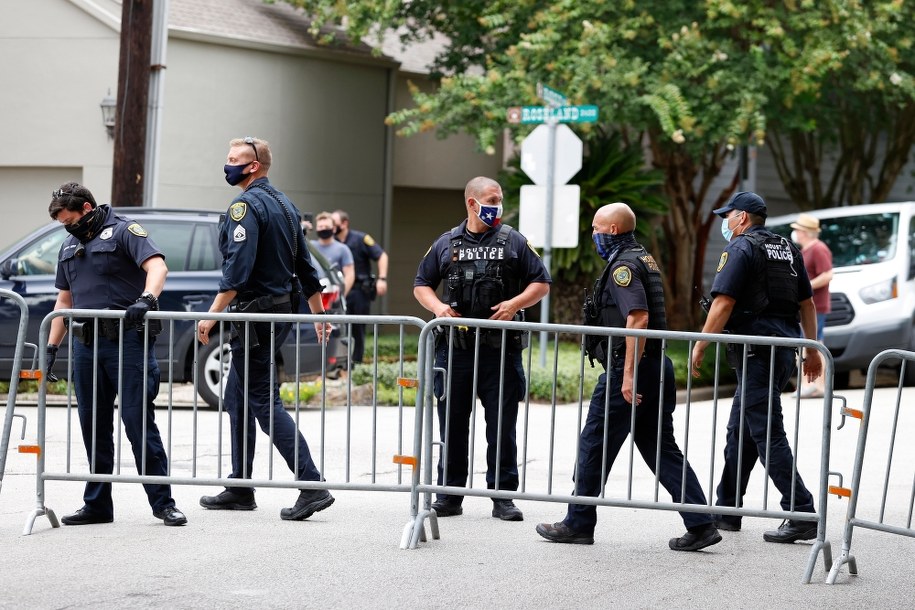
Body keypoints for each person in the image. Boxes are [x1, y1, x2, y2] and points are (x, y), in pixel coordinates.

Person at [535, 203, 721, 551]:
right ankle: (701, 523)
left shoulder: (624, 265)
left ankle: (578, 523)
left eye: (596, 228)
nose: (593, 234)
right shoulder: (642, 258)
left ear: (614, 230)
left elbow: (637, 319)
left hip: (631, 367)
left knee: (594, 443)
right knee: (660, 447)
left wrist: (627, 375)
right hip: (654, 366)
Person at [198, 137, 335, 521]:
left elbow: (236, 274)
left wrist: (211, 315)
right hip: (276, 314)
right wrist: (317, 313)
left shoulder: (245, 206)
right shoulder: (287, 206)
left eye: (234, 160)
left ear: (254, 166)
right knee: (237, 397)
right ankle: (240, 486)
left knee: (262, 402)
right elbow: (307, 270)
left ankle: (311, 485)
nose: (227, 165)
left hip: (256, 318)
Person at [47, 182, 186, 527]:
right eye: (63, 223)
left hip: (128, 342)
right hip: (86, 345)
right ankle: (97, 504)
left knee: (138, 422)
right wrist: (52, 346)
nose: (68, 227)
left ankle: (163, 503)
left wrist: (147, 299)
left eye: (70, 220)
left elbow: (157, 267)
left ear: (87, 209)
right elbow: (64, 301)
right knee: (93, 425)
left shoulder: (125, 232)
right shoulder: (68, 245)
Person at [413, 176, 551, 521]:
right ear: (472, 204)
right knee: (452, 425)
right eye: (492, 199)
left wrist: (515, 303)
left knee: (501, 425)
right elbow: (421, 284)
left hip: (499, 352)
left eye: (500, 199)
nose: (498, 205)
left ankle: (502, 496)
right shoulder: (447, 242)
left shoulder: (513, 241)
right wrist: (438, 308)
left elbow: (541, 282)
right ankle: (449, 495)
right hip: (456, 352)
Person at [690, 191, 822, 544]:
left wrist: (700, 344)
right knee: (741, 431)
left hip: (757, 353)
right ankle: (727, 510)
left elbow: (723, 303)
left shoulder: (741, 248)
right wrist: (811, 350)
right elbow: (806, 303)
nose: (725, 221)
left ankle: (801, 510)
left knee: (766, 431)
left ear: (743, 217)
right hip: (780, 351)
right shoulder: (786, 248)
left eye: (728, 215)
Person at [331, 209, 388, 363]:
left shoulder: (360, 239)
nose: (332, 227)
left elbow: (381, 255)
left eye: (335, 223)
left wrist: (382, 278)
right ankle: (339, 362)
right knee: (338, 328)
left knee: (358, 328)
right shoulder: (332, 242)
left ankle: (356, 362)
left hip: (359, 291)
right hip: (338, 291)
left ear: (344, 223)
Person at [791, 213, 832, 398]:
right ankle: (811, 384)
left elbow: (827, 275)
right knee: (809, 343)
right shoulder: (806, 250)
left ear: (805, 232)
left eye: (798, 230)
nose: (795, 233)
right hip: (807, 305)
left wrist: (805, 287)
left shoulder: (818, 249)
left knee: (813, 344)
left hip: (815, 306)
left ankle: (817, 385)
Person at [311, 211, 355, 297]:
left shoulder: (343, 249)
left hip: (333, 296)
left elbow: (349, 275)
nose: (323, 229)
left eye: (327, 226)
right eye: (320, 226)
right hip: (313, 296)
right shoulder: (310, 247)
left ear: (334, 228)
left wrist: (340, 297)